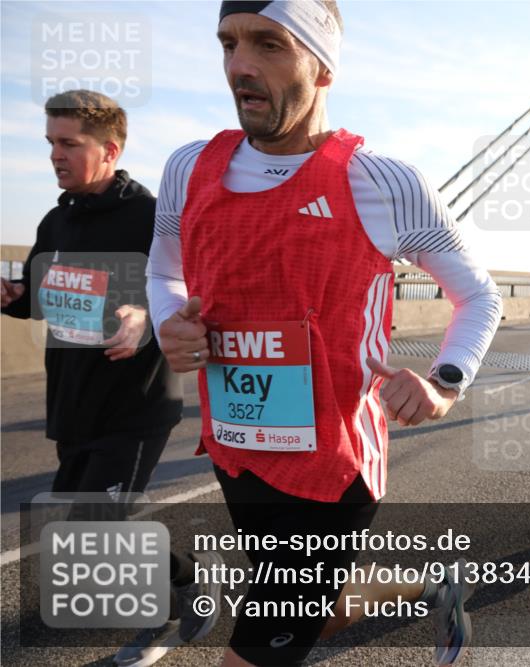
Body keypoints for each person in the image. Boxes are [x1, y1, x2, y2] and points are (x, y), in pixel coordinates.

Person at [146, 2, 501, 666]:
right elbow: (163, 269)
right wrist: (169, 319)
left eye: (270, 45)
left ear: (324, 64)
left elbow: (479, 295)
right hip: (238, 452)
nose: (240, 67)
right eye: (228, 43)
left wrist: (445, 381)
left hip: (336, 466)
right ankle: (434, 585)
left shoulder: (383, 182)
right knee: (308, 608)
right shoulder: (188, 169)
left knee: (260, 645)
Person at [0, 91, 217, 665]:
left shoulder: (151, 217)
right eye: (50, 143)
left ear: (110, 149)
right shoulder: (56, 219)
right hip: (73, 401)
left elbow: (188, 293)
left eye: (69, 143)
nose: (55, 155)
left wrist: (146, 315)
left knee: (97, 522)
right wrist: (15, 297)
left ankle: (162, 619)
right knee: (82, 524)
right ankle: (189, 576)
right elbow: (44, 300)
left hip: (137, 403)